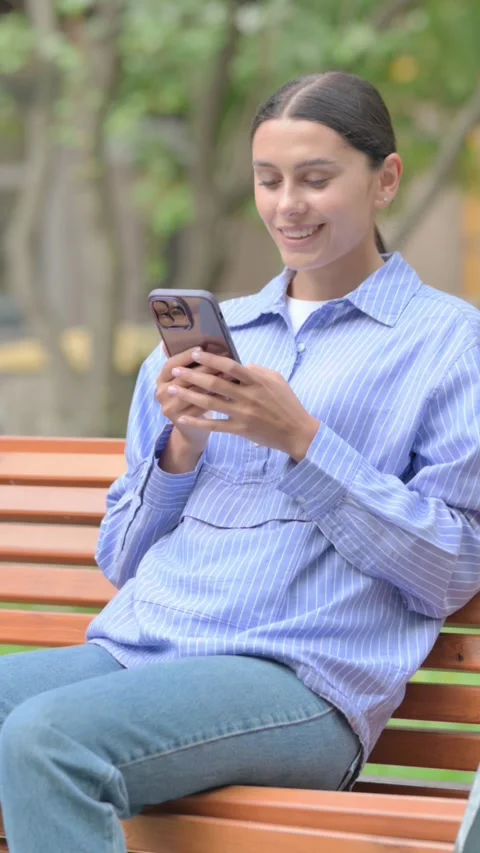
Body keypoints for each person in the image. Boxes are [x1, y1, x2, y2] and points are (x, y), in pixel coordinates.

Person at [0, 71, 479, 853]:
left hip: (299, 682)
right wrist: (181, 447)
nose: (288, 204)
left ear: (385, 179)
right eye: (269, 179)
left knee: (48, 739)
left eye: (316, 179)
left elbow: (450, 568)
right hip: (142, 651)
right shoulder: (224, 338)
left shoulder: (451, 345)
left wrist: (305, 442)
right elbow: (121, 559)